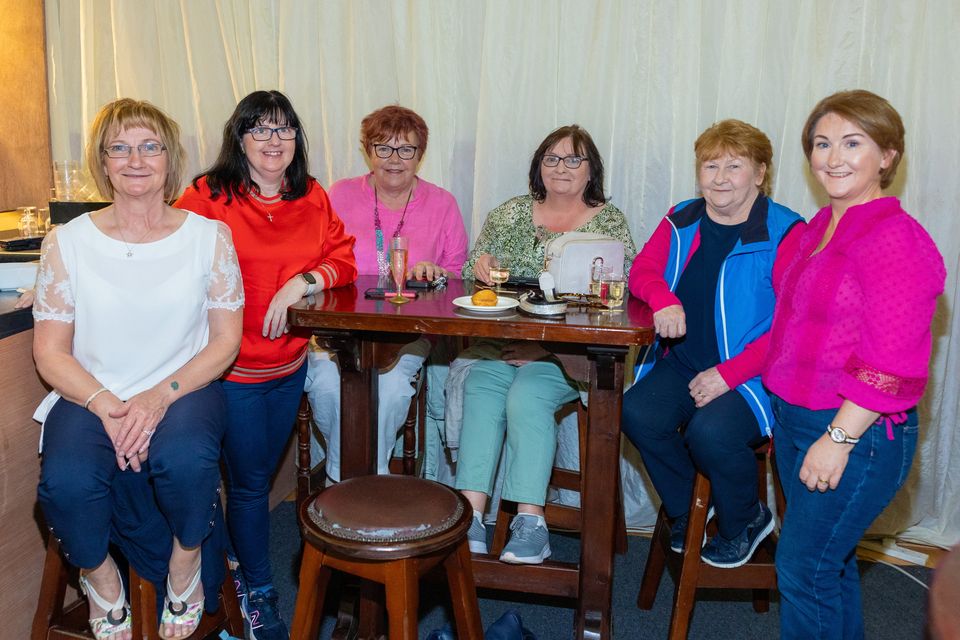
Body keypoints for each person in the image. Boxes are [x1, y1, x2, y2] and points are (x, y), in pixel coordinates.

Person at [33, 98, 243, 640]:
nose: (135, 159)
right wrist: (106, 403)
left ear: (169, 159)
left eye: (150, 146)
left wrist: (156, 398)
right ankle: (100, 577)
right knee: (66, 482)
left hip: (185, 388)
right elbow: (51, 353)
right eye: (119, 148)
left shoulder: (209, 238)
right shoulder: (67, 242)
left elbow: (224, 343)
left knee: (186, 461)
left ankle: (184, 561)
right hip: (90, 391)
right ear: (102, 162)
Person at [175, 90, 357, 640]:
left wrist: (303, 281)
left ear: (297, 139)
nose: (273, 141)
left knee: (248, 482)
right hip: (224, 371)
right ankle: (259, 593)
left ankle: (232, 572)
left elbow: (343, 258)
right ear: (240, 138)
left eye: (284, 130)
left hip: (287, 366)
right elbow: (163, 251)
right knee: (242, 486)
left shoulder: (312, 196)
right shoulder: (208, 195)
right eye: (260, 129)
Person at [763, 90, 945, 639]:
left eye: (852, 142)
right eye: (821, 143)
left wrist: (837, 439)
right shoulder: (815, 229)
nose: (832, 157)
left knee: (802, 567)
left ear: (887, 155)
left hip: (852, 432)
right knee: (828, 566)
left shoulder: (897, 240)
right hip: (796, 420)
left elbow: (890, 357)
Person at [620, 120, 804, 569]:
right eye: (710, 165)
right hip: (684, 362)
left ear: (760, 174)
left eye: (734, 166)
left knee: (710, 433)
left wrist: (729, 374)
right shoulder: (681, 216)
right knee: (635, 413)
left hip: (753, 373)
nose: (720, 177)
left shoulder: (787, 232)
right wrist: (663, 298)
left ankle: (745, 518)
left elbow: (790, 325)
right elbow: (642, 271)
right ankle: (690, 509)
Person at [455, 124, 636, 564]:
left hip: (570, 356)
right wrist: (477, 265)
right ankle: (471, 518)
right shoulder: (509, 214)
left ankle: (530, 521)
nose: (561, 167)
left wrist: (546, 349)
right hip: (503, 344)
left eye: (574, 159)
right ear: (539, 166)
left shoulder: (609, 225)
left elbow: (621, 301)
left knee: (527, 394)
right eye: (551, 158)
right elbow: (467, 278)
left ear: (591, 169)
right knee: (480, 385)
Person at [305, 104, 467, 481]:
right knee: (328, 384)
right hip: (340, 328)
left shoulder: (443, 203)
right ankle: (358, 482)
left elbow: (458, 277)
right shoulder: (340, 195)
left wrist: (438, 273)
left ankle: (351, 482)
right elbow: (315, 257)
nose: (395, 159)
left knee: (391, 389)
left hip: (407, 333)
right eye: (383, 148)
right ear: (368, 151)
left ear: (419, 155)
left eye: (406, 149)